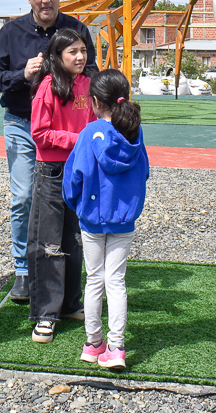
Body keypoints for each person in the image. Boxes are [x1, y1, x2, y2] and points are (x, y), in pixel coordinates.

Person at [0, 0, 96, 301]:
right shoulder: (11, 32)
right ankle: (23, 269)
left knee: (69, 200)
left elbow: (91, 73)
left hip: (66, 131)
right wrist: (22, 73)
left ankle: (64, 268)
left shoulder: (76, 29)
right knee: (24, 198)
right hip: (21, 123)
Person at [64, 69, 148, 370]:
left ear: (95, 101)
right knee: (116, 281)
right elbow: (144, 173)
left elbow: (73, 177)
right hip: (123, 220)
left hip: (91, 219)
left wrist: (78, 205)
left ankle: (92, 343)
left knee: (94, 280)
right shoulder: (135, 135)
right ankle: (116, 347)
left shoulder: (89, 135)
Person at [28, 28, 95, 343]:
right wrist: (78, 140)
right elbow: (39, 134)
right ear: (57, 56)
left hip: (79, 171)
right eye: (73, 52)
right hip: (52, 172)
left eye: (83, 50)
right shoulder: (47, 88)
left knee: (75, 241)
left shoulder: (88, 86)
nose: (80, 57)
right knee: (50, 243)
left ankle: (70, 303)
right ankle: (46, 314)